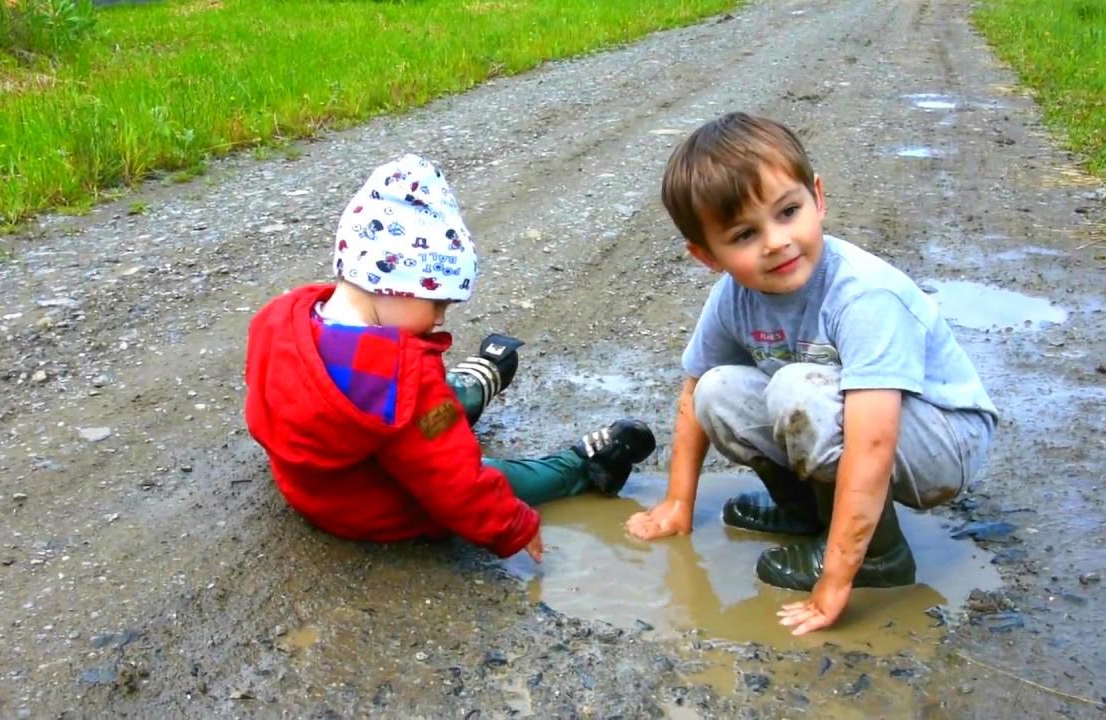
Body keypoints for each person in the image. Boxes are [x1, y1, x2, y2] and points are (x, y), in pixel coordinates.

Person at [624, 113, 997, 635]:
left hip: (941, 440)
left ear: (818, 198)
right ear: (707, 256)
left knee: (799, 387)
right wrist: (677, 502)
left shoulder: (864, 294)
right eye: (744, 234)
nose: (775, 242)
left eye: (788, 212)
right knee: (717, 391)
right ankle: (806, 513)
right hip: (854, 418)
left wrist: (838, 577)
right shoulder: (733, 296)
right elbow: (693, 393)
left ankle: (877, 556)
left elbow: (871, 442)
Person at [245, 153, 656, 562]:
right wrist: (512, 524)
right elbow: (453, 483)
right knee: (480, 466)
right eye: (438, 301)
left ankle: (468, 389)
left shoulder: (282, 319)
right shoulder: (403, 371)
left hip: (307, 483)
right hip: (372, 508)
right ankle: (582, 467)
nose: (441, 317)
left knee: (421, 407)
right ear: (396, 284)